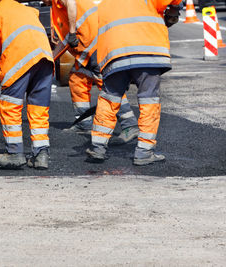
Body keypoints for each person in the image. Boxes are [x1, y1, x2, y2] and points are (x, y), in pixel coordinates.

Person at [86, 0, 182, 165]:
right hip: (147, 50)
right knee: (148, 98)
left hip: (115, 55)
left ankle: (98, 147)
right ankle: (144, 152)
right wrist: (173, 10)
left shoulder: (104, 3)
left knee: (109, 98)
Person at [46, 0, 139, 145]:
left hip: (97, 46)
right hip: (86, 51)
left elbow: (71, 4)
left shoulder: (61, 2)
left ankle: (130, 124)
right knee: (77, 79)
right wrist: (50, 58)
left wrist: (71, 33)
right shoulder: (56, 7)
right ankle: (84, 123)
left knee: (110, 87)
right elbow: (65, 40)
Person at [0, 0, 54, 169]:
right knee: (38, 110)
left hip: (19, 59)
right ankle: (41, 155)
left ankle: (14, 153)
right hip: (45, 58)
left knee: (10, 106)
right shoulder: (28, 11)